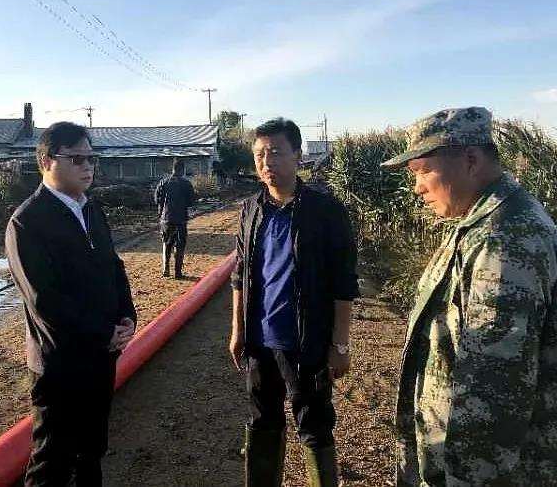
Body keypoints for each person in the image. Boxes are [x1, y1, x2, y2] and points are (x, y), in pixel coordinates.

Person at [381, 107, 557, 486]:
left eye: (423, 171)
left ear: (471, 160)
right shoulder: (475, 222)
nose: (417, 188)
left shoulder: (504, 239)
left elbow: (495, 389)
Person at [5, 121, 137, 487]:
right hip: (60, 363)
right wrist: (102, 332)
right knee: (52, 460)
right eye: (77, 159)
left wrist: (126, 315)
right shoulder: (28, 222)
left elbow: (113, 267)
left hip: (101, 355)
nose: (87, 167)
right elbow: (43, 300)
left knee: (91, 451)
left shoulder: (91, 209)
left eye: (91, 159)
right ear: (46, 161)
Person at [229, 118, 358, 487]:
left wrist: (340, 344)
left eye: (275, 152)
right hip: (260, 340)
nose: (266, 162)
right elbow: (240, 274)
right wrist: (238, 330)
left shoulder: (325, 210)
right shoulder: (251, 209)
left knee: (314, 426)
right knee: (262, 422)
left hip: (306, 341)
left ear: (298, 156)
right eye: (259, 154)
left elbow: (343, 282)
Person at [154, 158, 197, 278]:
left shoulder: (163, 182)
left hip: (166, 219)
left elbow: (157, 199)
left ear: (173, 169)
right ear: (182, 170)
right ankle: (178, 272)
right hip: (181, 219)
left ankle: (165, 270)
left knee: (166, 243)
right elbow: (191, 202)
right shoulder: (186, 184)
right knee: (180, 245)